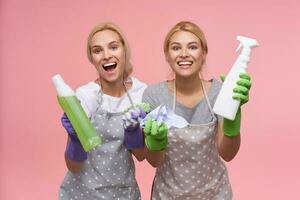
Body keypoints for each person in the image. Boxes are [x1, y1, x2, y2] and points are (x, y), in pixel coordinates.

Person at [142, 21, 252, 199]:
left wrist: (233, 122)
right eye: (176, 48)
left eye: (192, 47)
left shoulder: (219, 92)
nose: (184, 54)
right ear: (167, 55)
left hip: (214, 193)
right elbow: (154, 161)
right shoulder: (154, 95)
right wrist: (156, 142)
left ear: (204, 53)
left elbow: (228, 154)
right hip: (168, 194)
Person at [58, 22, 147, 200]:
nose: (106, 56)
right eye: (97, 50)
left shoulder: (141, 93)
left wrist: (133, 133)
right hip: (82, 193)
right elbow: (73, 166)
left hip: (123, 193)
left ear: (124, 50)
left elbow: (142, 156)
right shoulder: (85, 96)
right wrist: (76, 140)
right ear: (92, 58)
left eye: (113, 47)